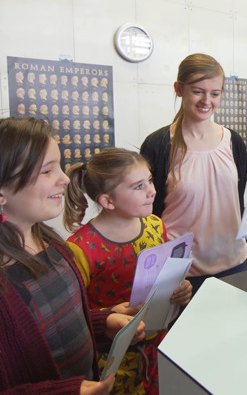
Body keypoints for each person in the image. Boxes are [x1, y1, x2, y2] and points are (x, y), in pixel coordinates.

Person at [0, 117, 145, 394]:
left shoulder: (53, 244)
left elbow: (49, 326)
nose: (64, 178)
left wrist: (102, 323)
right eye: (47, 171)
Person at [63, 147, 193, 395]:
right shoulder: (80, 248)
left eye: (150, 180)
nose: (152, 191)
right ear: (107, 201)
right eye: (138, 186)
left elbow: (164, 280)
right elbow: (76, 317)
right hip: (114, 359)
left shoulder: (155, 224)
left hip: (158, 347)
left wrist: (180, 289)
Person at [140, 53, 247, 292]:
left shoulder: (233, 143)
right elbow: (148, 213)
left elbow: (236, 201)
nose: (206, 101)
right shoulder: (158, 145)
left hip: (234, 263)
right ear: (179, 89)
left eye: (215, 93)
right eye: (198, 91)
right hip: (181, 272)